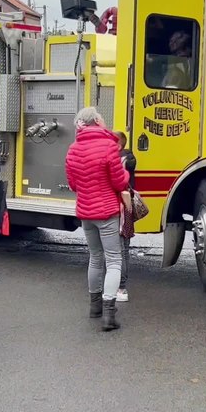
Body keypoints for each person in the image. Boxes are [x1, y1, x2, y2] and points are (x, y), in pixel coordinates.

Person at [65, 107, 129, 331]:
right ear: (96, 122)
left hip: (86, 212)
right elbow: (120, 182)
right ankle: (109, 313)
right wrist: (125, 172)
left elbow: (73, 184)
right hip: (107, 212)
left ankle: (95, 307)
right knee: (114, 260)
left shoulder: (73, 149)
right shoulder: (109, 146)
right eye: (101, 118)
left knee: (95, 257)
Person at [114, 130, 137, 303]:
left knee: (117, 250)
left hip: (117, 208)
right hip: (126, 208)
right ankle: (121, 287)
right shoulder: (129, 158)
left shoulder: (118, 159)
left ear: (117, 144)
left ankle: (119, 287)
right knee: (124, 249)